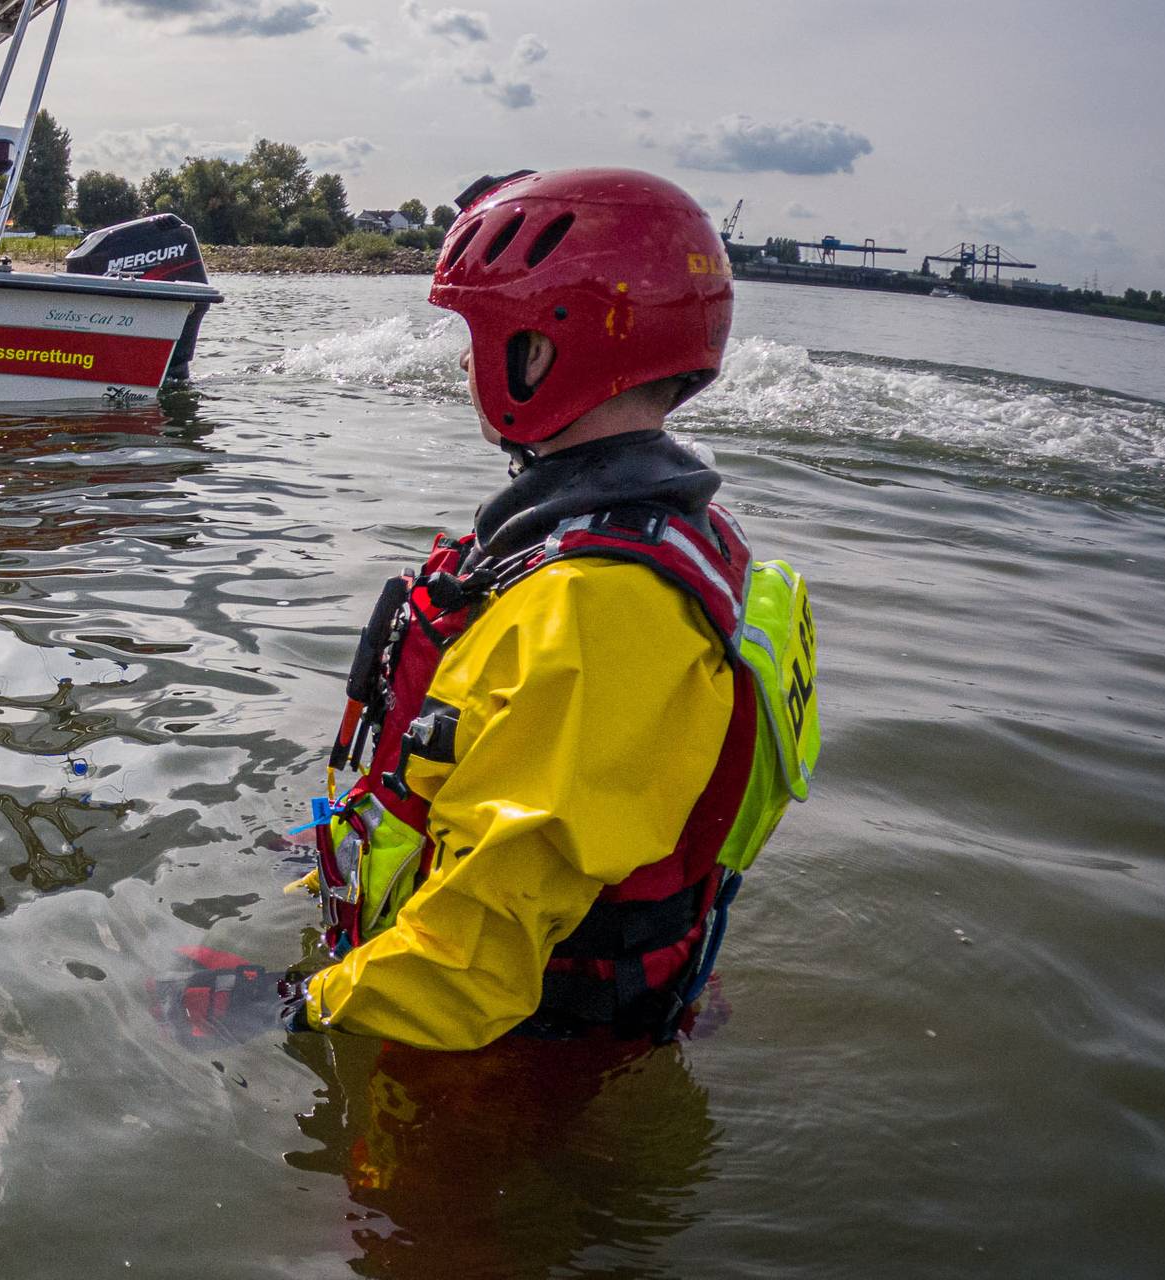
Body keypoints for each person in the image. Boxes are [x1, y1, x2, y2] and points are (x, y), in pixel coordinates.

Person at [169, 168, 820, 1054]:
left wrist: (282, 1010)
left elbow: (472, 968)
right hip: (540, 1006)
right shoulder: (671, 540)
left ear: (542, 351)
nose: (466, 360)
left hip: (508, 1059)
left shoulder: (595, 613)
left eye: (480, 332)